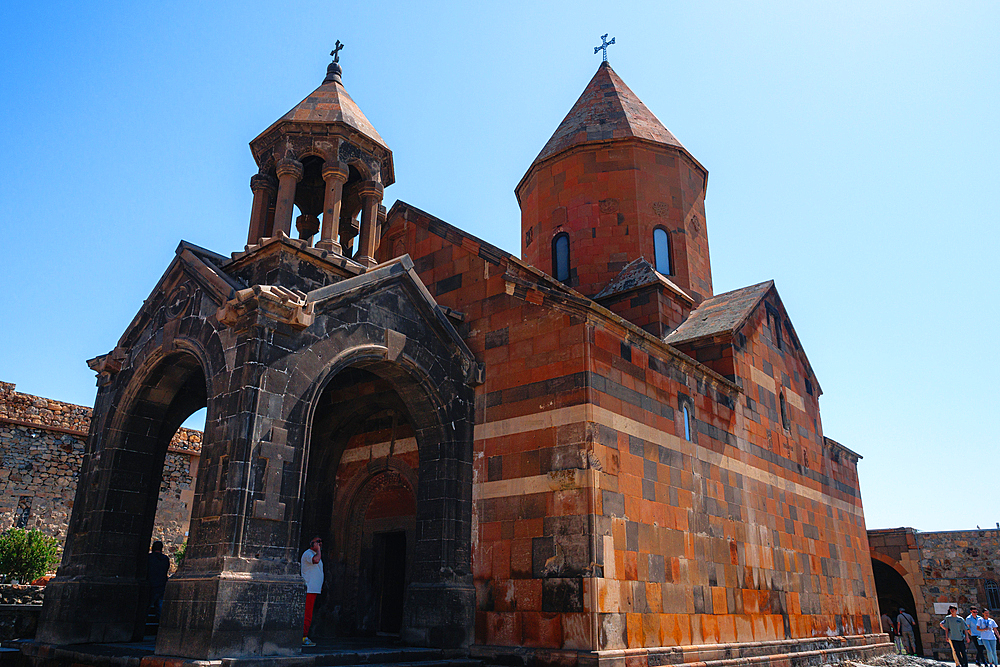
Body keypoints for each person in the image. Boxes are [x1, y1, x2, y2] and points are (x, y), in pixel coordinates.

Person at [301, 535, 323, 647]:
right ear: (311, 544)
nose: (319, 544)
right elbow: (316, 561)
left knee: (309, 614)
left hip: (314, 589)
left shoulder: (315, 554)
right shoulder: (308, 554)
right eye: (317, 542)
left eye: (320, 542)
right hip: (309, 589)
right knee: (307, 614)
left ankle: (305, 635)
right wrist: (318, 550)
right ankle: (303, 637)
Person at [147, 540, 171, 619]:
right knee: (160, 608)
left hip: (151, 586)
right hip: (161, 585)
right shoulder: (165, 559)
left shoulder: (149, 558)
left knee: (146, 607)